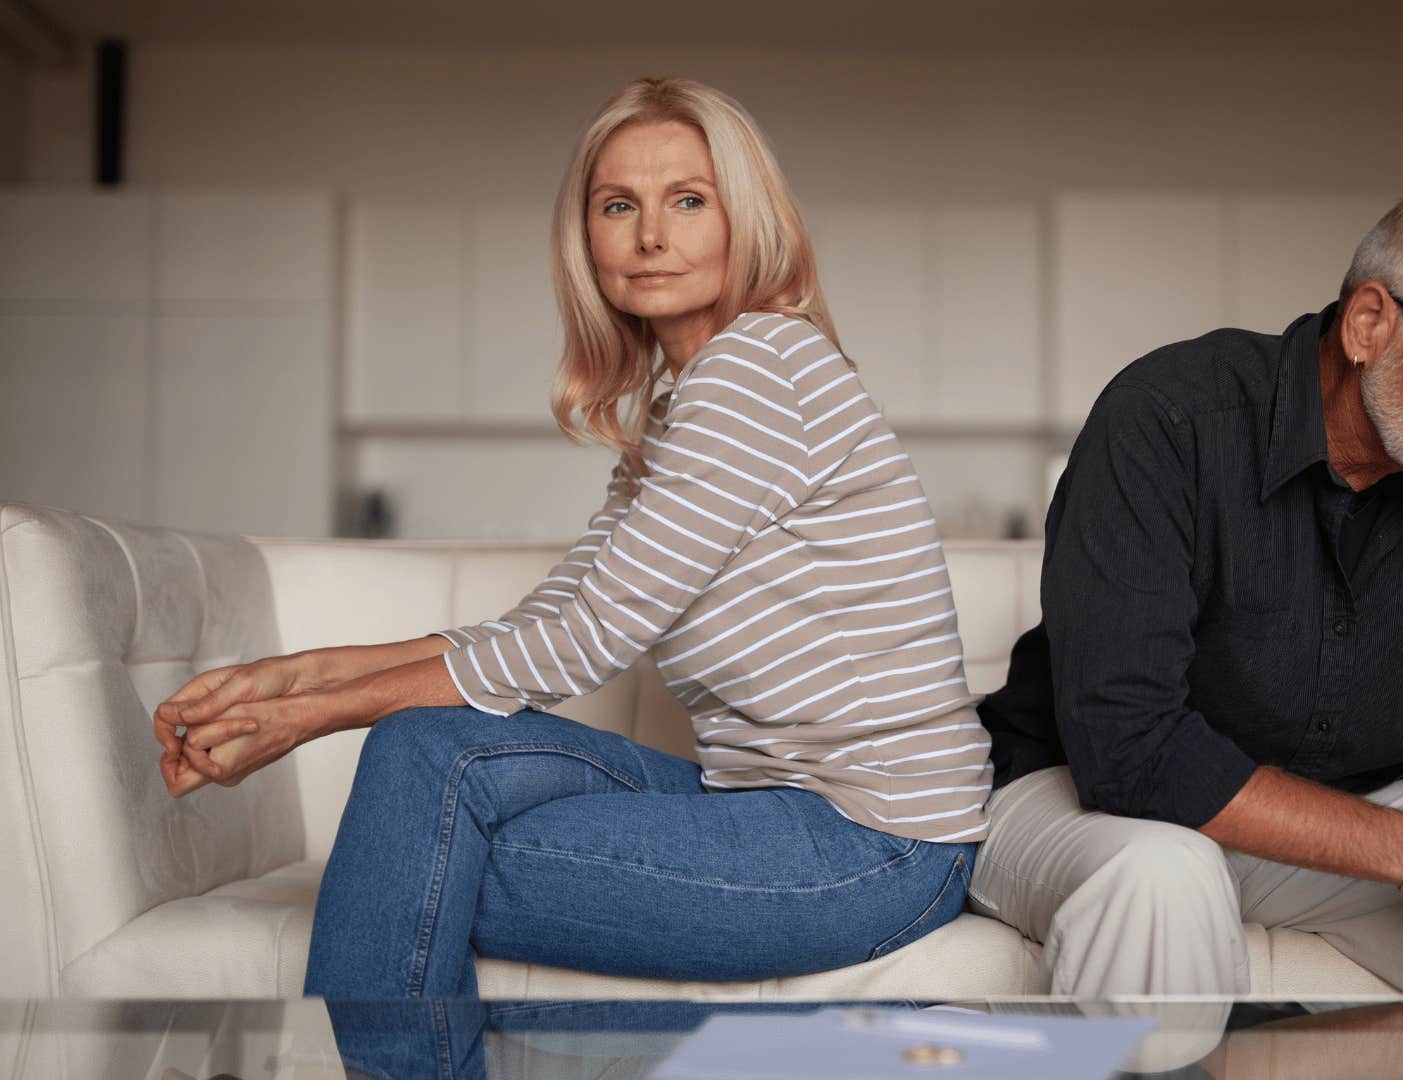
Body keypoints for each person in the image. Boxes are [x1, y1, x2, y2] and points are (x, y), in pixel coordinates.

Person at [152, 77, 990, 1073]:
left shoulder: (759, 367)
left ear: (745, 220)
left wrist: (304, 721)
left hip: (867, 845)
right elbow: (553, 614)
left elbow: (585, 640)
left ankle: (870, 1049)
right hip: (754, 803)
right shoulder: (680, 412)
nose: (649, 236)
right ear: (585, 234)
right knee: (423, 759)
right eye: (618, 205)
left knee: (402, 875)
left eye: (688, 200)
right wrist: (290, 678)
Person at [970, 170, 1403, 1000]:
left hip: (1345, 813)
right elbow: (1130, 755)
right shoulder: (1171, 418)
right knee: (1162, 877)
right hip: (1087, 803)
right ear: (1370, 323)